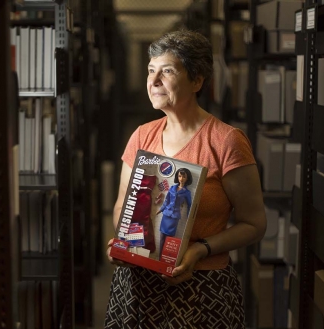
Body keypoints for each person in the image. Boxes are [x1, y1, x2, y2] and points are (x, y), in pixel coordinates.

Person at [105, 29, 267, 328]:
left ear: (196, 80)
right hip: (138, 286)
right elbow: (121, 207)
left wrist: (198, 250)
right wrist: (123, 242)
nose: (153, 82)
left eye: (166, 71)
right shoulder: (142, 135)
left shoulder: (226, 141)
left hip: (203, 287)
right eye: (151, 71)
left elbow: (254, 225)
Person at [156, 168, 192, 259]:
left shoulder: (187, 193)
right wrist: (161, 209)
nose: (181, 178)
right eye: (180, 176)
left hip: (174, 217)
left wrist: (189, 217)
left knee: (169, 240)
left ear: (187, 178)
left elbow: (190, 205)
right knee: (161, 238)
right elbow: (166, 200)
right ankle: (159, 257)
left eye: (184, 176)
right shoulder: (172, 188)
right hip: (166, 215)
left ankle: (165, 258)